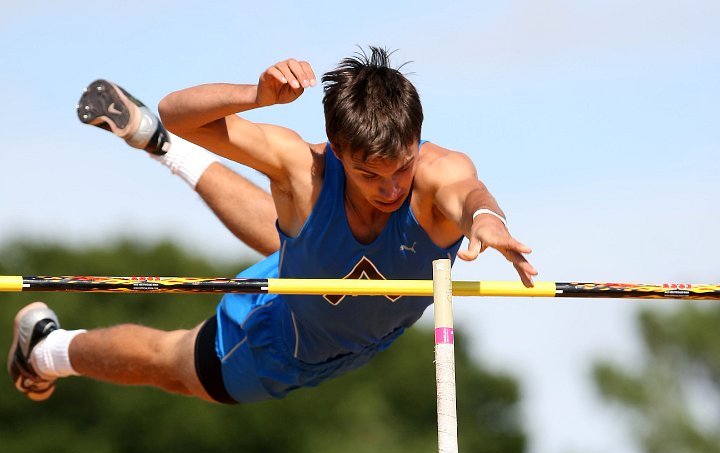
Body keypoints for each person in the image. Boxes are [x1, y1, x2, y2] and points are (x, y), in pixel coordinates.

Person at [8, 46, 537, 404]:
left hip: (348, 299)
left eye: (401, 167)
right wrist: (256, 96)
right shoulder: (302, 166)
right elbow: (176, 111)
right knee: (171, 363)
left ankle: (167, 154)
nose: (392, 187)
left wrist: (486, 217)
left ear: (417, 138)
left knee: (309, 244)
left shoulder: (436, 176)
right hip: (284, 340)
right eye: (368, 174)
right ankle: (45, 350)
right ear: (334, 147)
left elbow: (468, 193)